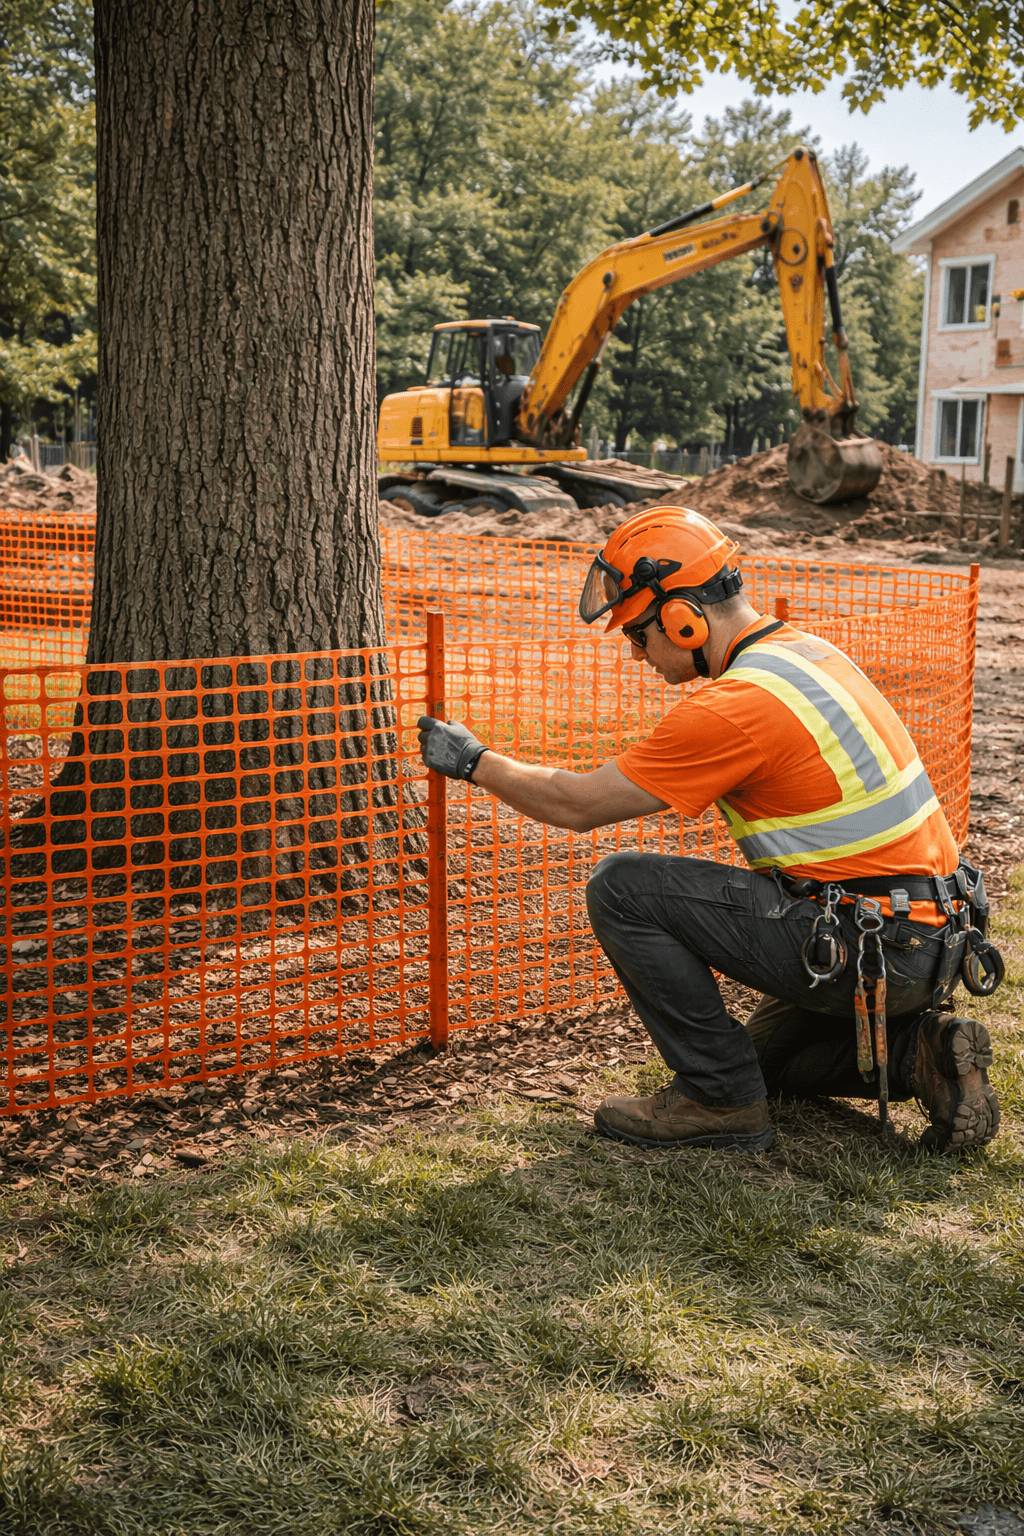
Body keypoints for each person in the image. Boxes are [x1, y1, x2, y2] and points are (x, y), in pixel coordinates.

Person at [417, 507, 1002, 1155]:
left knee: (623, 888)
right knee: (764, 1066)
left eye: (640, 635)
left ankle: (717, 1103)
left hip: (873, 942)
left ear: (683, 618)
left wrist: (474, 761)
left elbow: (576, 805)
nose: (639, 654)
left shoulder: (735, 707)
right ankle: (921, 1057)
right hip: (935, 937)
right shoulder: (806, 654)